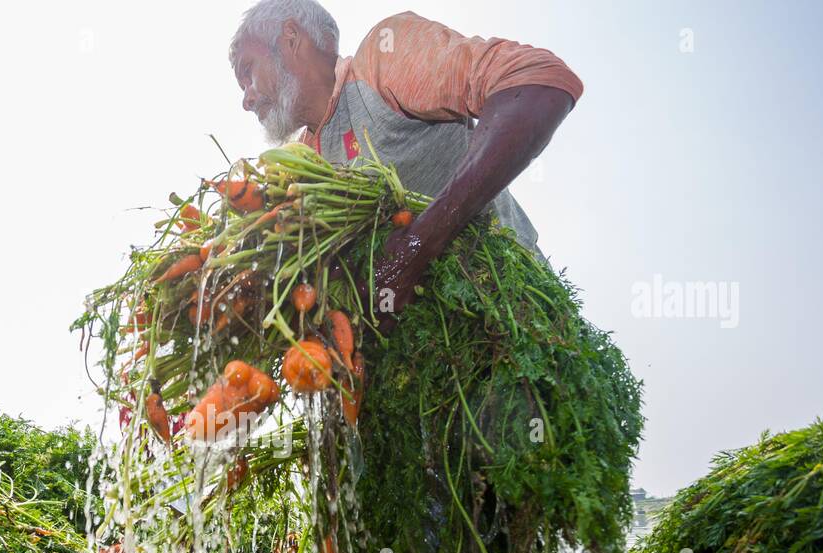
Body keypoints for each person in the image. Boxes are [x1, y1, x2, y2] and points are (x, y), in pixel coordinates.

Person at [229, 1, 582, 317]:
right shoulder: (301, 168)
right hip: (421, 369)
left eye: (248, 71)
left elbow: (538, 82)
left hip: (513, 313)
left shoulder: (381, 60)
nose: (246, 99)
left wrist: (419, 245)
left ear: (291, 37)